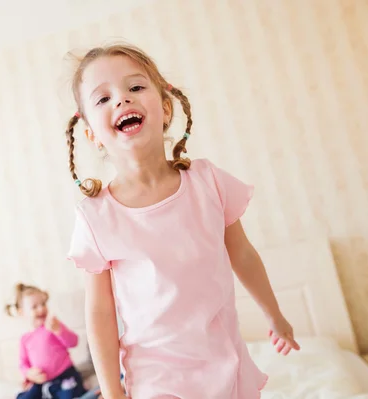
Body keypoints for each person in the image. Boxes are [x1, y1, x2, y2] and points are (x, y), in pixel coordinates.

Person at [64, 43, 300, 399]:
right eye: (103, 98)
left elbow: (244, 255)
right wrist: (113, 393)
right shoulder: (97, 217)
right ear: (91, 134)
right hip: (157, 379)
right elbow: (100, 314)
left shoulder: (209, 183)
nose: (122, 100)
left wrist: (275, 316)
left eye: (136, 87)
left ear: (166, 108)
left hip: (226, 363)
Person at [6, 283, 88, 399]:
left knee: (71, 394)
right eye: (34, 307)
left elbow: (73, 342)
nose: (41, 309)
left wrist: (59, 330)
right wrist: (29, 374)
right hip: (42, 382)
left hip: (65, 376)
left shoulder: (52, 326)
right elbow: (23, 363)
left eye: (43, 304)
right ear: (21, 312)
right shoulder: (25, 339)